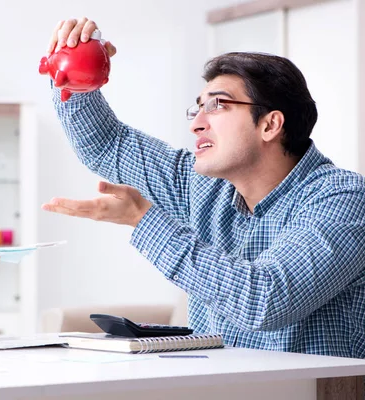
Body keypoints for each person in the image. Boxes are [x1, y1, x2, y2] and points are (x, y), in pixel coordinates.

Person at [41, 18, 365, 358]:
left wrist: (146, 222)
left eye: (217, 106)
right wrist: (74, 80)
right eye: (197, 108)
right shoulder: (203, 187)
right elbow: (107, 144)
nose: (197, 124)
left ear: (270, 124)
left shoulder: (342, 199)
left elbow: (266, 300)